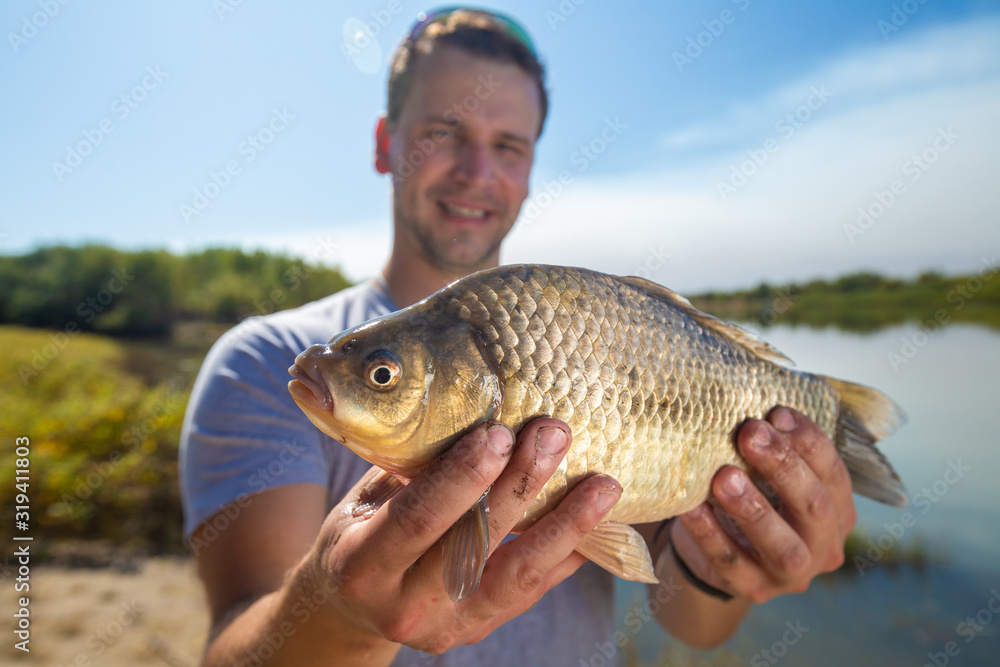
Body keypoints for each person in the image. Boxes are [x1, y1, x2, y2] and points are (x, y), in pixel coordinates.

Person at [180, 8, 856, 666]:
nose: (478, 171)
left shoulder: (597, 340)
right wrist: (340, 611)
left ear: (531, 166)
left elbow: (689, 614)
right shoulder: (258, 364)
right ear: (386, 142)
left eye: (508, 145)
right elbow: (233, 648)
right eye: (445, 131)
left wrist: (733, 558)